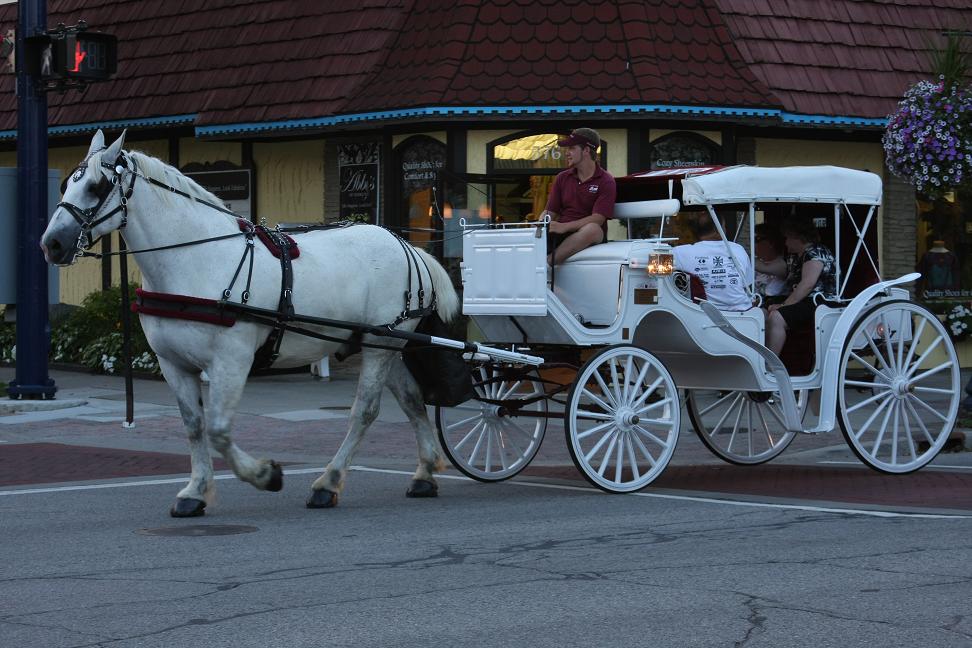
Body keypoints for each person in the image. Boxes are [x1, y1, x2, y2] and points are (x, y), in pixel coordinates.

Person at [540, 128, 616, 264]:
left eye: (571, 148)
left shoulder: (606, 180)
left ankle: (546, 264)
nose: (567, 153)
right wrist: (540, 226)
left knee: (594, 229)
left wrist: (565, 227)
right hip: (560, 233)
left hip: (587, 234)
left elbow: (598, 219)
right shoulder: (562, 177)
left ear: (586, 150)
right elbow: (549, 212)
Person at [766, 217, 837, 356]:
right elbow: (777, 269)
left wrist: (783, 306)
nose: (785, 242)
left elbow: (807, 284)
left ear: (797, 237)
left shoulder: (816, 252)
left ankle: (769, 364)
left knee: (777, 317)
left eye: (787, 238)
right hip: (805, 300)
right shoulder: (796, 256)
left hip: (819, 302)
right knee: (763, 310)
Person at [672, 213, 753, 311]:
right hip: (743, 312)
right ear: (718, 229)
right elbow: (747, 285)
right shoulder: (738, 249)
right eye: (724, 226)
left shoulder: (680, 252)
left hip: (703, 313)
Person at [753, 223, 789, 305]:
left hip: (771, 307)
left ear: (771, 242)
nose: (753, 243)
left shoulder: (782, 263)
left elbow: (765, 268)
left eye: (757, 239)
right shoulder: (757, 262)